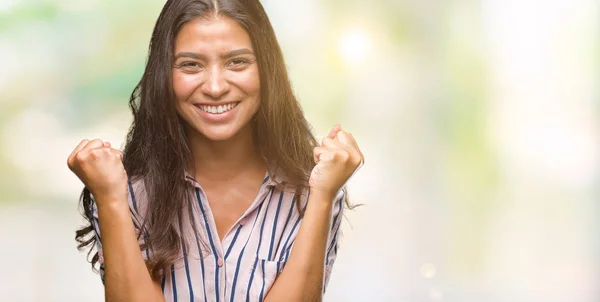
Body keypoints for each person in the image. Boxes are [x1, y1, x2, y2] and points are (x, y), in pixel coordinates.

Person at [67, 0, 364, 301]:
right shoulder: (122, 192)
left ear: (268, 70)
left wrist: (324, 195)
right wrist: (110, 199)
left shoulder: (314, 191)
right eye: (191, 64)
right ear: (164, 77)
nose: (215, 86)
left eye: (237, 62)